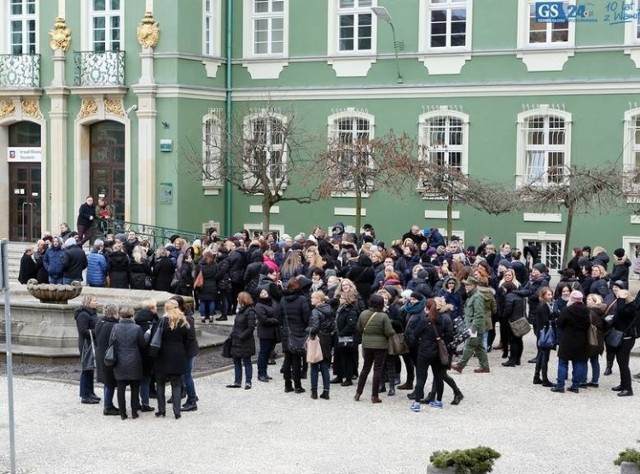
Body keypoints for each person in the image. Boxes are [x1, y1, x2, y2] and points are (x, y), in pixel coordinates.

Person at [405, 298, 453, 412]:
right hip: (437, 351)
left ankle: (417, 403)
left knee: (421, 377)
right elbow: (448, 335)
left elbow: (414, 335)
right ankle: (438, 401)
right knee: (438, 377)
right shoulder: (441, 320)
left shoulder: (424, 321)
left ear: (426, 308)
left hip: (424, 351)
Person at [151, 300, 190, 419]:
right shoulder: (183, 321)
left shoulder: (162, 321)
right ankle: (177, 411)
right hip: (177, 355)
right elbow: (187, 340)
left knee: (160, 384)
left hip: (162, 355)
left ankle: (161, 410)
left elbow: (154, 336)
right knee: (176, 385)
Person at [353, 294, 395, 403]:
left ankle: (358, 393)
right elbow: (389, 332)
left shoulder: (363, 314)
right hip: (381, 346)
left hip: (367, 344)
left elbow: (358, 327)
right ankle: (374, 396)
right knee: (377, 369)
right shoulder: (383, 316)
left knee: (365, 368)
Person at [550, 290, 590, 394]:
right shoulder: (586, 310)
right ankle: (575, 386)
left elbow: (559, 323)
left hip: (567, 339)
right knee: (579, 362)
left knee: (563, 362)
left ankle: (560, 385)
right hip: (581, 339)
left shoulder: (567, 310)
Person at [111, 306, 146, 420]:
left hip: (119, 361)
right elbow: (142, 346)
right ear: (132, 315)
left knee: (120, 388)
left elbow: (111, 343)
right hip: (134, 360)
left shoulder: (115, 327)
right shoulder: (137, 328)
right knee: (135, 388)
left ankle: (122, 413)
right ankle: (134, 412)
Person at [451, 277, 490, 374]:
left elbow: (479, 314)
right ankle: (484, 367)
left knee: (469, 345)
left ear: (473, 285)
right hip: (472, 325)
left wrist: (473, 327)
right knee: (479, 347)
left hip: (475, 326)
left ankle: (460, 365)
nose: (466, 287)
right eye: (465, 285)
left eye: (468, 285)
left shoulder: (477, 297)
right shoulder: (472, 296)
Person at [279, 278, 310, 393]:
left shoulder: (283, 299)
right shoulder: (302, 299)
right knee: (297, 360)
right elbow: (306, 317)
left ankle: (287, 385)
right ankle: (297, 386)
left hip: (287, 332)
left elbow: (279, 316)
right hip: (299, 332)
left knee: (287, 359)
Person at [172, 295, 200, 412]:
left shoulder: (188, 319)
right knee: (186, 375)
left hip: (188, 351)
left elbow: (190, 337)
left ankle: (192, 400)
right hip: (188, 350)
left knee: (186, 375)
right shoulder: (185, 316)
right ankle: (192, 395)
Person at [608, 289, 636, 397]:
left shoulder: (631, 307)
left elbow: (621, 311)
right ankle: (623, 384)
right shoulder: (626, 306)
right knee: (620, 362)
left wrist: (620, 298)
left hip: (627, 339)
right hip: (622, 338)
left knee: (624, 364)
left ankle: (628, 389)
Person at [308, 290, 335, 400]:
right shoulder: (330, 310)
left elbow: (314, 327)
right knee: (324, 365)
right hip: (327, 339)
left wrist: (308, 331)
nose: (311, 299)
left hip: (317, 338)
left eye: (313, 298)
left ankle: (314, 391)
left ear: (318, 299)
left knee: (314, 364)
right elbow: (333, 326)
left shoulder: (315, 311)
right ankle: (326, 391)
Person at [227, 292, 257, 390]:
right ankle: (237, 381)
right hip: (236, 339)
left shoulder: (250, 311)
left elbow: (251, 327)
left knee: (247, 361)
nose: (237, 300)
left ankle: (248, 382)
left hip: (245, 341)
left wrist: (241, 336)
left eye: (238, 298)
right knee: (236, 361)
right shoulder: (240, 311)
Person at [95, 304, 120, 416]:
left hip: (100, 353)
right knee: (110, 381)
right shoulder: (112, 325)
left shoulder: (100, 322)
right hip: (108, 354)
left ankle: (108, 404)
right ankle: (108, 406)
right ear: (114, 313)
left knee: (106, 380)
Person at [75, 294, 100, 404]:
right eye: (94, 300)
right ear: (88, 302)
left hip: (92, 343)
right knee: (86, 368)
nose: (96, 302)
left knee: (90, 369)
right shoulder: (83, 315)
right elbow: (83, 331)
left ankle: (90, 392)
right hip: (86, 344)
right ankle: (85, 395)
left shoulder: (91, 313)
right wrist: (98, 331)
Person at [134, 299, 158, 412]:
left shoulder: (135, 322)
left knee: (136, 381)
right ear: (151, 309)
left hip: (135, 356)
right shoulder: (153, 324)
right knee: (145, 381)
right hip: (148, 356)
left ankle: (136, 403)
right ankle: (145, 403)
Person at [255, 287, 280, 383]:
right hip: (265, 333)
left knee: (268, 352)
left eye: (265, 291)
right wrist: (274, 320)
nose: (264, 292)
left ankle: (265, 372)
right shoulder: (259, 305)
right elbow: (263, 319)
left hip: (273, 332)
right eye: (262, 292)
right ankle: (261, 373)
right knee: (263, 353)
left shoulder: (270, 302)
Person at [500, 281, 526, 367]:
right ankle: (518, 359)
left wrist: (503, 317)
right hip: (520, 320)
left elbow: (508, 310)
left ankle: (512, 360)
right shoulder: (520, 295)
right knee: (519, 340)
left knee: (513, 341)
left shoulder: (509, 296)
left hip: (512, 321)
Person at [533, 287, 555, 387]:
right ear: (543, 296)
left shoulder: (543, 305)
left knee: (541, 356)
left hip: (541, 332)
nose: (550, 296)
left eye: (551, 294)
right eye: (548, 295)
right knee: (544, 357)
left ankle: (537, 376)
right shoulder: (544, 306)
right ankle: (544, 379)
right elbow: (546, 320)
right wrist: (555, 320)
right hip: (544, 333)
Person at [584, 293, 606, 388]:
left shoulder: (590, 312)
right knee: (595, 360)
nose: (586, 300)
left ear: (594, 301)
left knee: (584, 359)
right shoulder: (601, 311)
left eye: (589, 299)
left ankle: (583, 379)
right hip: (599, 339)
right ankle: (595, 380)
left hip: (590, 338)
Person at [196, 250, 219, 323]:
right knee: (211, 301)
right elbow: (217, 275)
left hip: (202, 286)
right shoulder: (215, 265)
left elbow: (196, 276)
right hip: (212, 285)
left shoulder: (200, 265)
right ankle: (211, 316)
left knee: (202, 302)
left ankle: (202, 317)